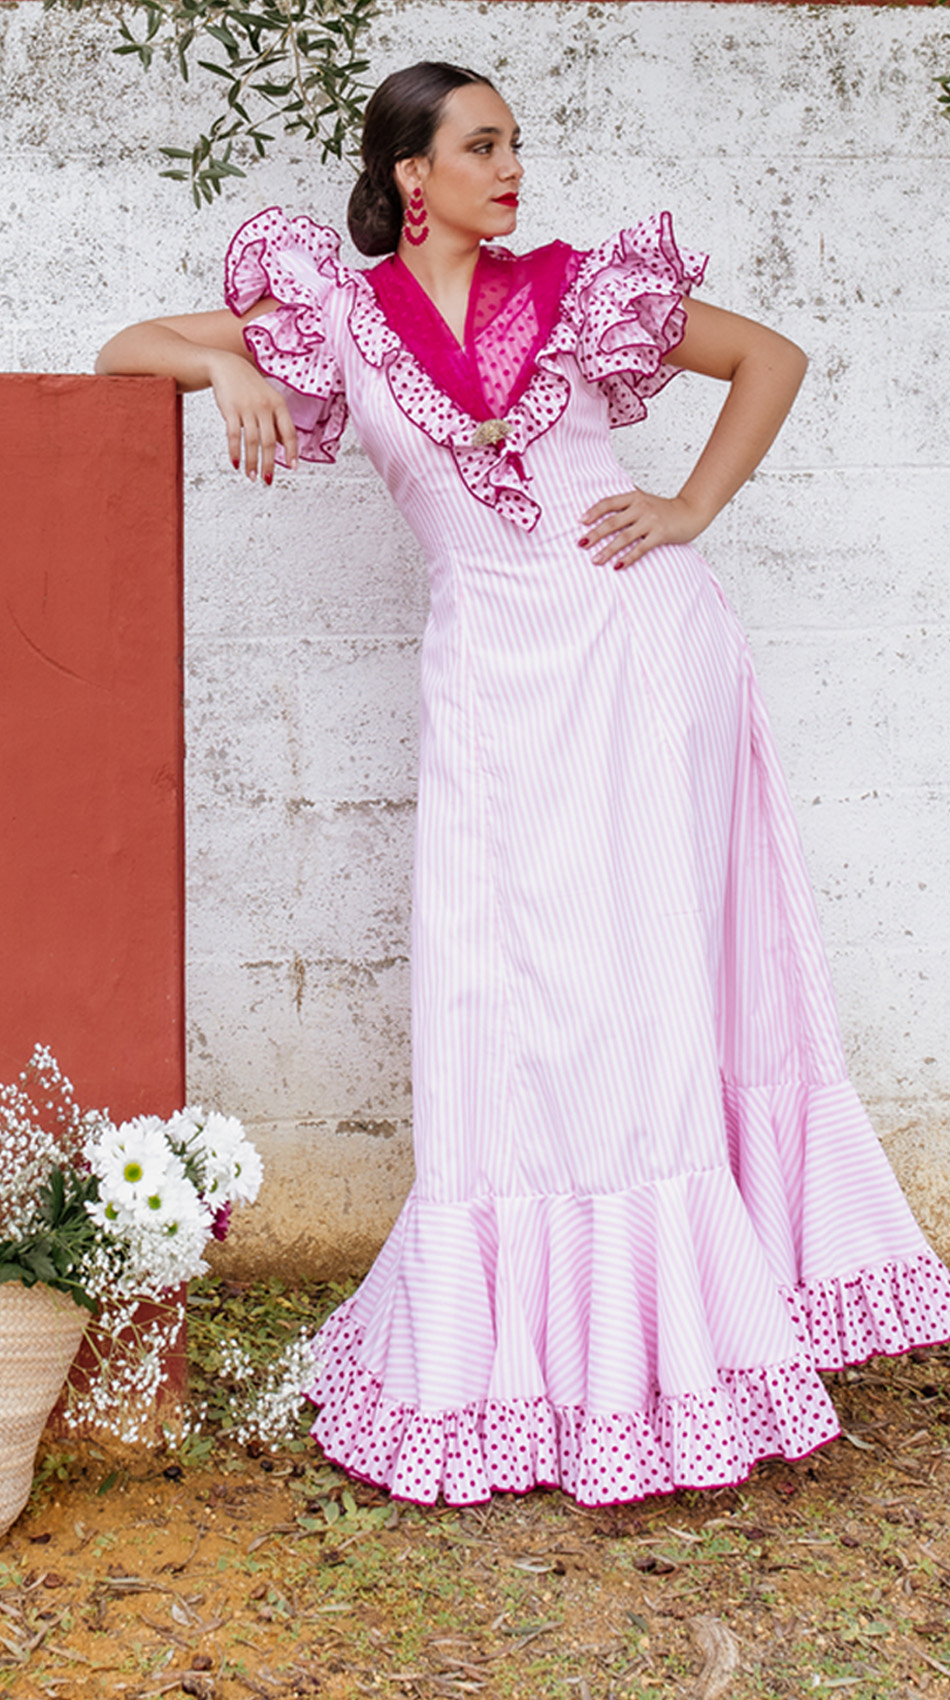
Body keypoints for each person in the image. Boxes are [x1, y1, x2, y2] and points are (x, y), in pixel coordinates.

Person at [98, 60, 950, 1508]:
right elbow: (127, 346)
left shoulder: (573, 286)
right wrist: (233, 366)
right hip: (490, 682)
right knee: (498, 996)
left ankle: (679, 1348)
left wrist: (685, 509)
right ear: (408, 174)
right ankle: (523, 1352)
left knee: (641, 981)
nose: (513, 169)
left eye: (516, 145)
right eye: (482, 146)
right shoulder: (334, 316)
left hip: (638, 649)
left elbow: (771, 360)